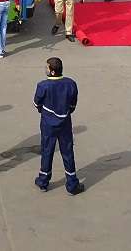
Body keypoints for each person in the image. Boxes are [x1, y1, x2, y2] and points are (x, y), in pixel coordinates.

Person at [33, 57, 84, 196]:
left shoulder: (43, 86)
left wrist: (45, 112)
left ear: (53, 72)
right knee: (67, 152)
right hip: (65, 123)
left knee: (47, 151)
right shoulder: (71, 84)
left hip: (48, 124)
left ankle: (43, 181)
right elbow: (73, 104)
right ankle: (72, 184)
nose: (45, 69)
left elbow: (37, 103)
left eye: (47, 67)